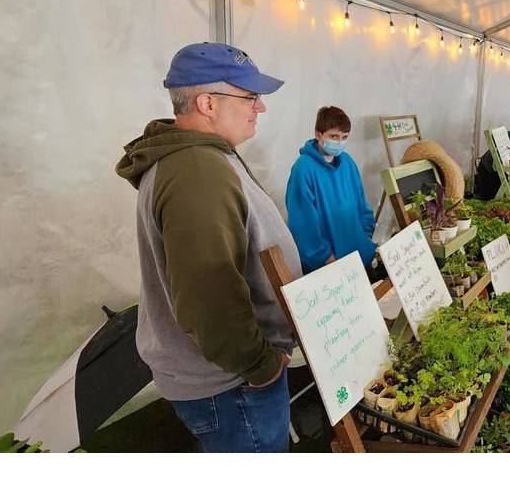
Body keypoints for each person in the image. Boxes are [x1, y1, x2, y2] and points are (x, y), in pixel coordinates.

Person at [116, 42, 299, 453]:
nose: (260, 108)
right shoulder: (196, 170)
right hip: (231, 385)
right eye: (250, 97)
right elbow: (209, 298)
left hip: (229, 378)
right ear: (207, 103)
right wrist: (262, 366)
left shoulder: (202, 158)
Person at [284, 106, 376, 275]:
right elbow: (303, 224)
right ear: (318, 134)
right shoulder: (303, 169)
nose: (339, 142)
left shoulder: (347, 162)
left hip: (359, 257)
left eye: (344, 137)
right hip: (329, 266)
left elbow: (361, 204)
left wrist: (365, 237)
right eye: (334, 136)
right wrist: (325, 257)